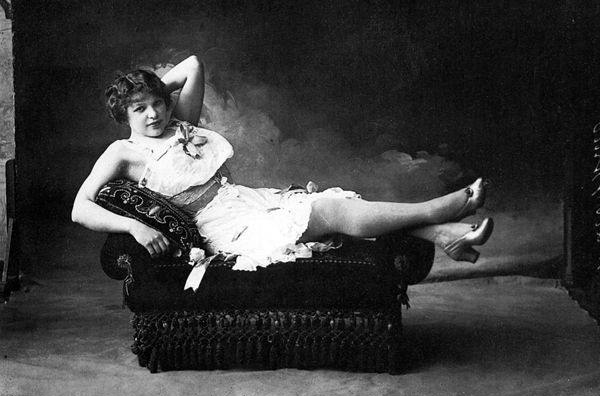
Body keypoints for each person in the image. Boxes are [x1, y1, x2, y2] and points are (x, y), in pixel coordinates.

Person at [72, 55, 494, 281]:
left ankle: (446, 236)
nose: (153, 115)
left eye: (158, 104)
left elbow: (194, 64)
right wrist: (134, 227)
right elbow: (80, 207)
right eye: (139, 109)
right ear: (123, 114)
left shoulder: (179, 123)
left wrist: (150, 89)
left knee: (334, 204)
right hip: (221, 226)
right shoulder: (122, 152)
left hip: (243, 201)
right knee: (332, 211)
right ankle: (437, 209)